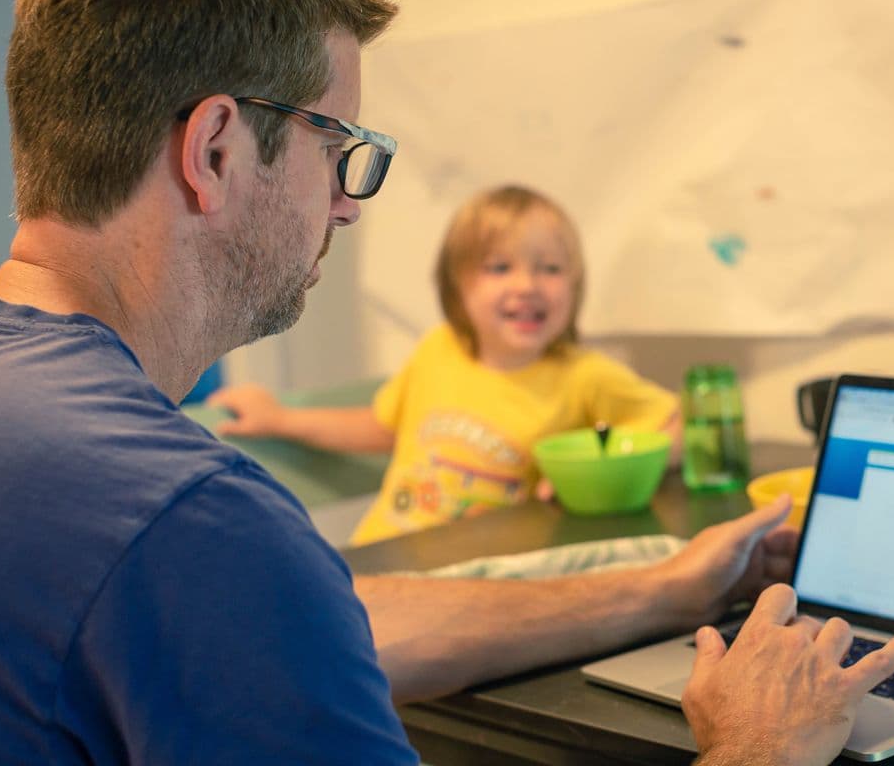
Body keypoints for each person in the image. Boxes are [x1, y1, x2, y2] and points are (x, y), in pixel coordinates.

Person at [0, 0, 894, 764]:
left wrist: (663, 589)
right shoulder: (191, 520)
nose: (347, 205)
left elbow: (323, 619)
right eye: (337, 149)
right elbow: (249, 591)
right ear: (217, 150)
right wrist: (759, 746)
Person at [208, 184, 682, 545]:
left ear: (575, 287)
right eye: (500, 268)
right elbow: (383, 426)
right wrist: (281, 419)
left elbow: (675, 422)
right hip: (384, 552)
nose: (527, 286)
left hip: (487, 581)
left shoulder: (585, 375)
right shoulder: (440, 349)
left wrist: (597, 471)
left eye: (551, 269)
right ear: (458, 286)